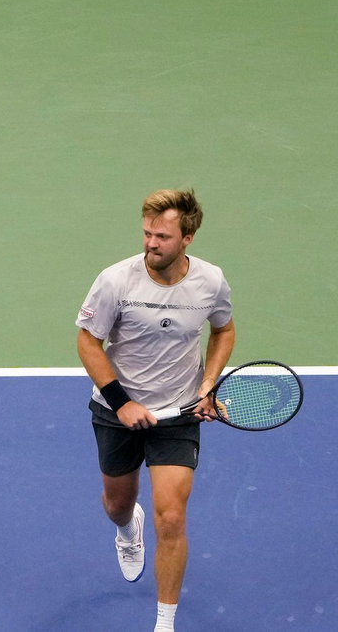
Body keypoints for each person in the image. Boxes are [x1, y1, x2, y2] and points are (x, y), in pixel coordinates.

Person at [75, 189, 235, 632]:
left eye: (162, 236)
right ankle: (128, 530)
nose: (150, 243)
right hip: (116, 410)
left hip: (179, 412)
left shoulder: (211, 282)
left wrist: (207, 386)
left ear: (188, 237)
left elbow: (223, 330)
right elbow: (89, 342)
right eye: (147, 233)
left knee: (172, 516)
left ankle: (164, 624)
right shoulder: (115, 280)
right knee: (117, 504)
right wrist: (123, 404)